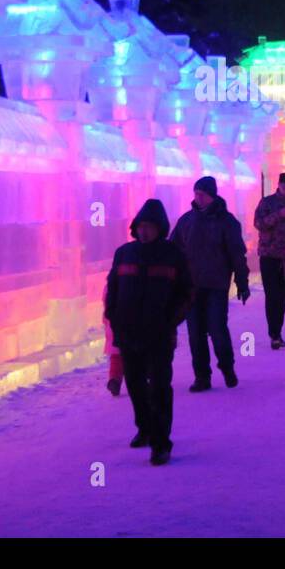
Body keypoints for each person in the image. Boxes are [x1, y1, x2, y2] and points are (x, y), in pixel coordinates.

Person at [104, 199, 193, 466]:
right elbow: (113, 288)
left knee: (160, 388)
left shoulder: (173, 255)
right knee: (135, 385)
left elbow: (186, 292)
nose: (144, 232)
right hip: (128, 331)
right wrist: (114, 317)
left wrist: (170, 321)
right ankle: (144, 427)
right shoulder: (124, 253)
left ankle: (160, 443)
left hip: (159, 334)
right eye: (141, 226)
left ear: (160, 228)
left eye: (150, 227)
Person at [170, 175, 250, 391]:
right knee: (195, 333)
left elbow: (236, 253)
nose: (198, 198)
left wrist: (242, 280)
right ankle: (202, 376)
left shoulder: (227, 222)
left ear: (212, 196)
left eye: (202, 194)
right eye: (196, 194)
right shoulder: (187, 221)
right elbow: (173, 250)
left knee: (217, 328)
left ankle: (226, 366)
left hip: (216, 284)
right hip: (192, 286)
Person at [252, 172, 285, 350]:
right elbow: (259, 223)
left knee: (281, 297)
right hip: (269, 256)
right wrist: (279, 214)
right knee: (272, 296)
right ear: (279, 185)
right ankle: (274, 333)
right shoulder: (267, 203)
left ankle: (277, 333)